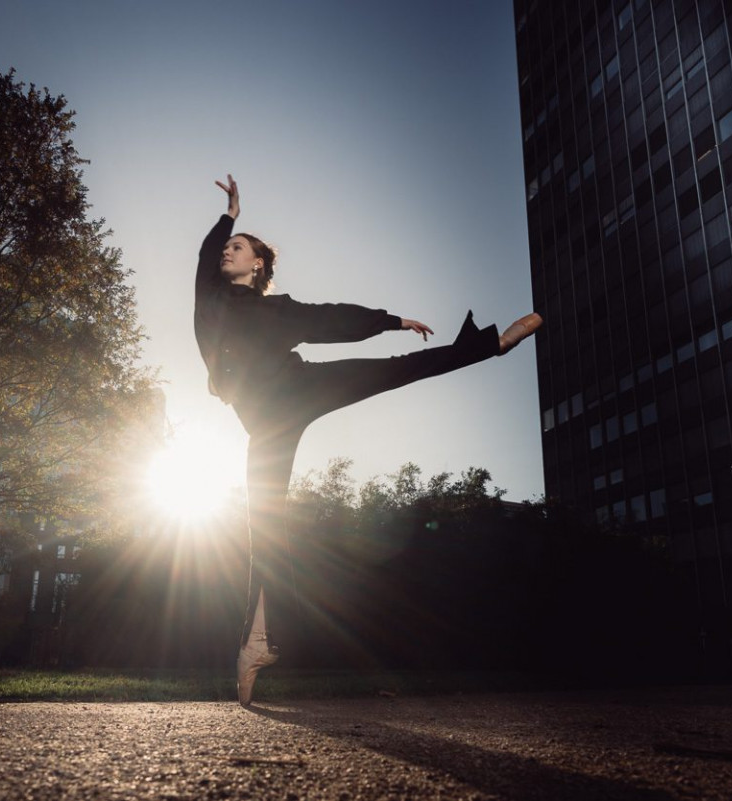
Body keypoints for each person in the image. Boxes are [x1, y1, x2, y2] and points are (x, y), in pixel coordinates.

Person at [194, 175, 541, 706]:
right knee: (263, 527)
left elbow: (330, 320)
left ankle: (491, 344)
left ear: (258, 263)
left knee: (394, 371)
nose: (227, 251)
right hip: (266, 422)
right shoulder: (212, 300)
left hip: (301, 388)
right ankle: (258, 643)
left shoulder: (278, 310)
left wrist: (392, 320)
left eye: (237, 247)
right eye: (227, 247)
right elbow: (203, 255)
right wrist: (230, 216)